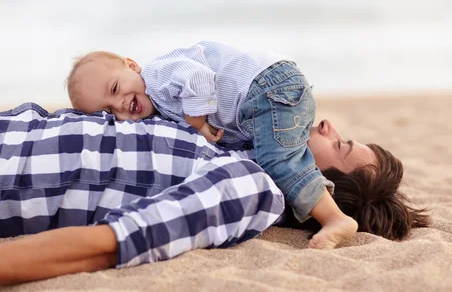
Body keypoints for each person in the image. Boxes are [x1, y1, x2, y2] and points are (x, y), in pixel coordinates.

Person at [0, 0, 428, 292]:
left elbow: (114, 241)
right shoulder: (211, 132)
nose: (326, 125)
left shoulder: (246, 190)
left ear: (320, 187)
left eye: (342, 145)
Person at [66, 44, 386, 249]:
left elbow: (201, 80)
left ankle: (337, 218)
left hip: (267, 86)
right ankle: (318, 196)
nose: (119, 104)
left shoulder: (160, 75)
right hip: (258, 98)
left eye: (115, 88)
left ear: (132, 65)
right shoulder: (154, 103)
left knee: (278, 159)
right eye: (108, 111)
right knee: (271, 157)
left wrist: (198, 123)